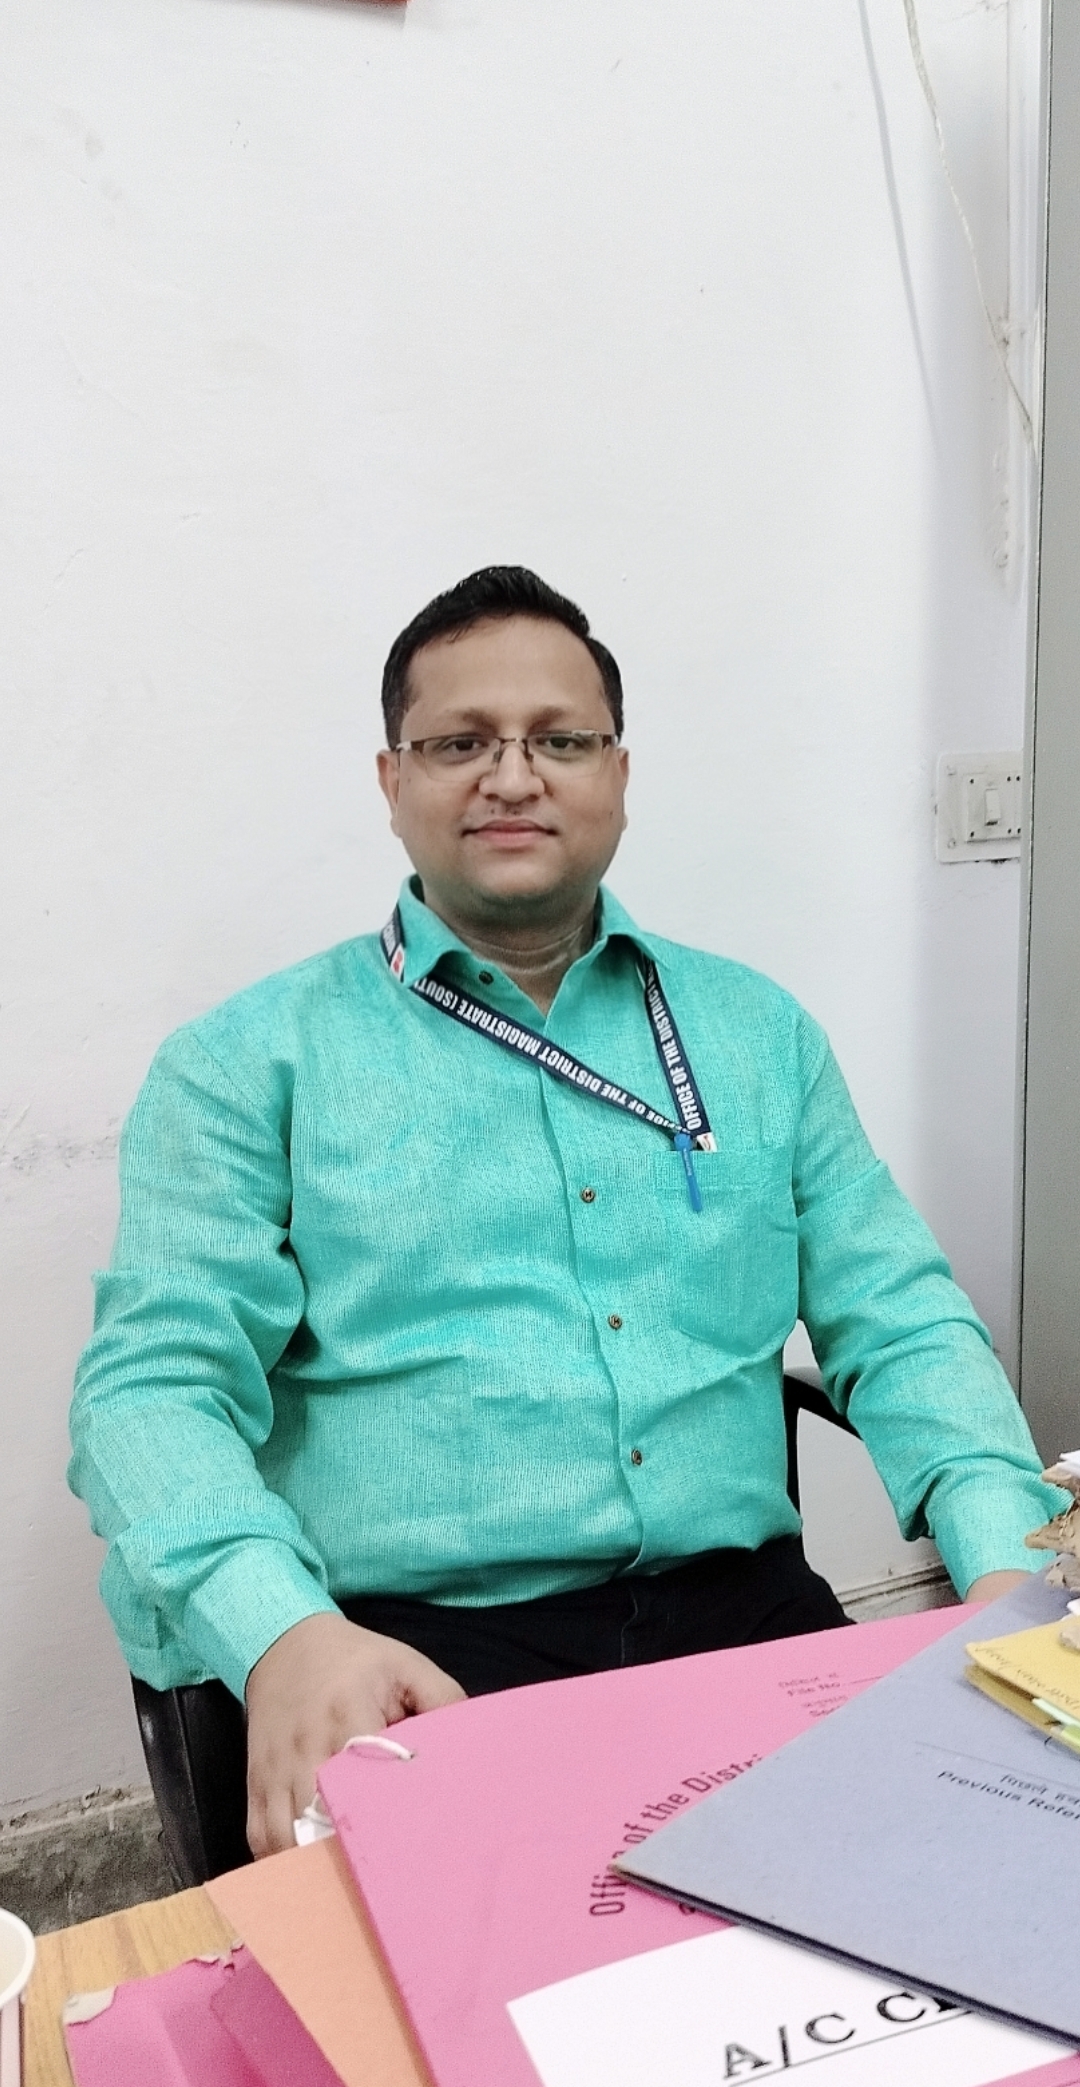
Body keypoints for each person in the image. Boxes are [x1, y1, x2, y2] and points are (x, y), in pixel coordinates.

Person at [68, 565, 1063, 1856]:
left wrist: (1007, 1563)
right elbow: (149, 1392)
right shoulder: (246, 1063)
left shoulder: (756, 1034)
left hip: (743, 1619)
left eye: (560, 739)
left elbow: (904, 1320)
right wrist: (284, 1633)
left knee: (970, 1897)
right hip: (408, 1647)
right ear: (392, 782)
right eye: (461, 743)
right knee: (460, 1976)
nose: (513, 776)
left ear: (619, 774)